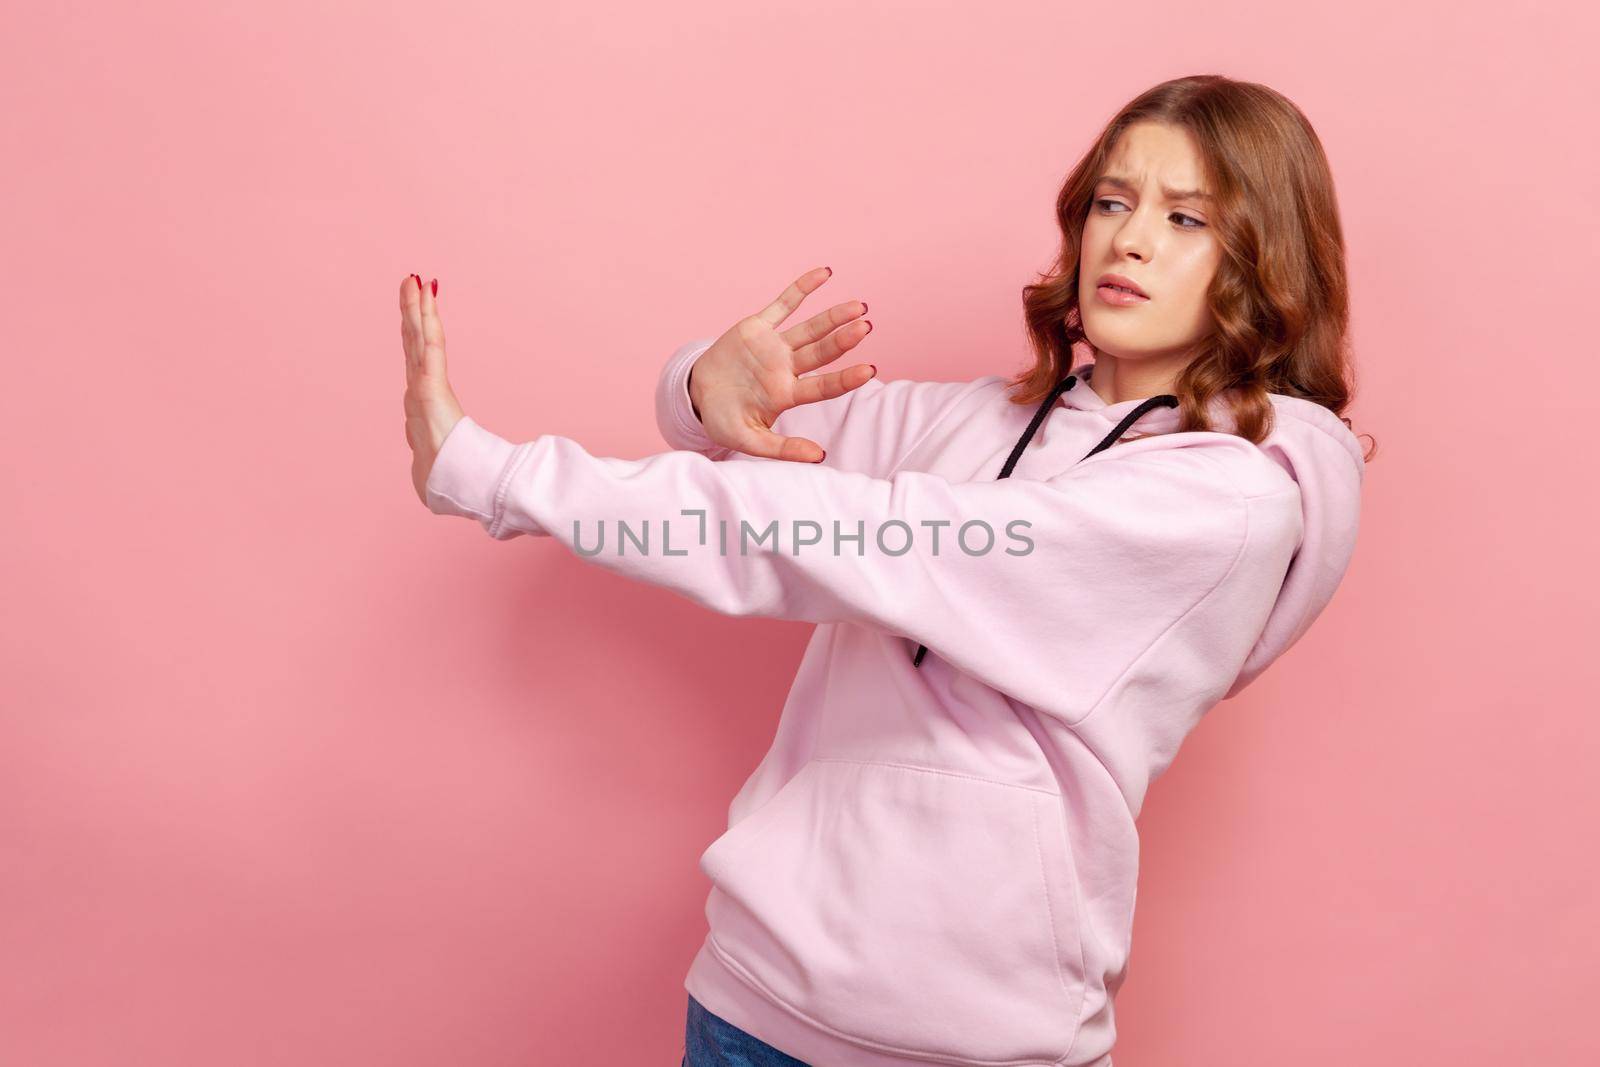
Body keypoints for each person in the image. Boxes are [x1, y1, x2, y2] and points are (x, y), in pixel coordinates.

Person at [399, 73, 1371, 1067]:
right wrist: (702, 388)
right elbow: (743, 466)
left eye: (1186, 218)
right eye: (1112, 202)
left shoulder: (1228, 502)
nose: (1127, 240)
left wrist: (498, 474)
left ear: (1262, 259)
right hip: (754, 1006)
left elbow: (837, 530)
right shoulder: (971, 419)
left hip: (984, 1042)